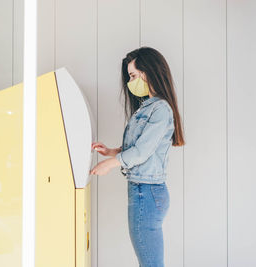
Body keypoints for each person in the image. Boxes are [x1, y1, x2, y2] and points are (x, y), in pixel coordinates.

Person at [90, 46, 185, 267]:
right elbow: (141, 148)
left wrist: (110, 164)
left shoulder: (160, 109)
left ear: (148, 71)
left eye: (133, 75)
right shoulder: (148, 107)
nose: (130, 82)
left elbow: (142, 152)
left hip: (146, 193)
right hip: (145, 192)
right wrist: (112, 151)